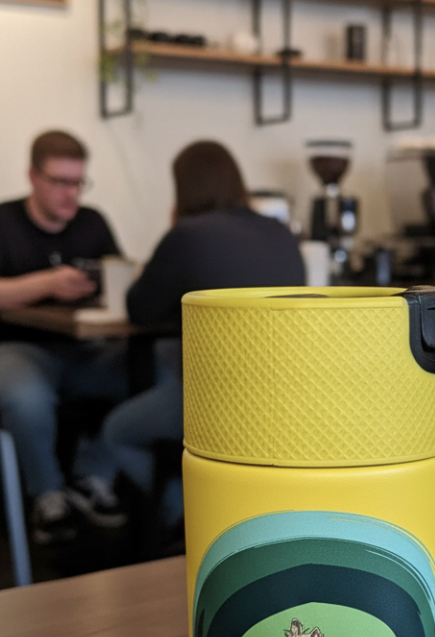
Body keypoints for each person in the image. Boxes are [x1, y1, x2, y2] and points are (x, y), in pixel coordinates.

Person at [101, 140, 305, 528]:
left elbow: (139, 309)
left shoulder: (186, 235)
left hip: (218, 400)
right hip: (287, 399)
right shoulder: (281, 232)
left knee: (116, 434)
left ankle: (188, 519)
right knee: (170, 356)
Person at [0, 130, 128, 544]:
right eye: (60, 182)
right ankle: (47, 497)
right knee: (25, 395)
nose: (71, 194)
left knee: (154, 374)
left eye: (78, 183)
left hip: (85, 351)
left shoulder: (92, 222)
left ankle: (93, 474)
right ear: (33, 176)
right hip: (13, 347)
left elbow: (122, 283)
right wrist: (47, 283)